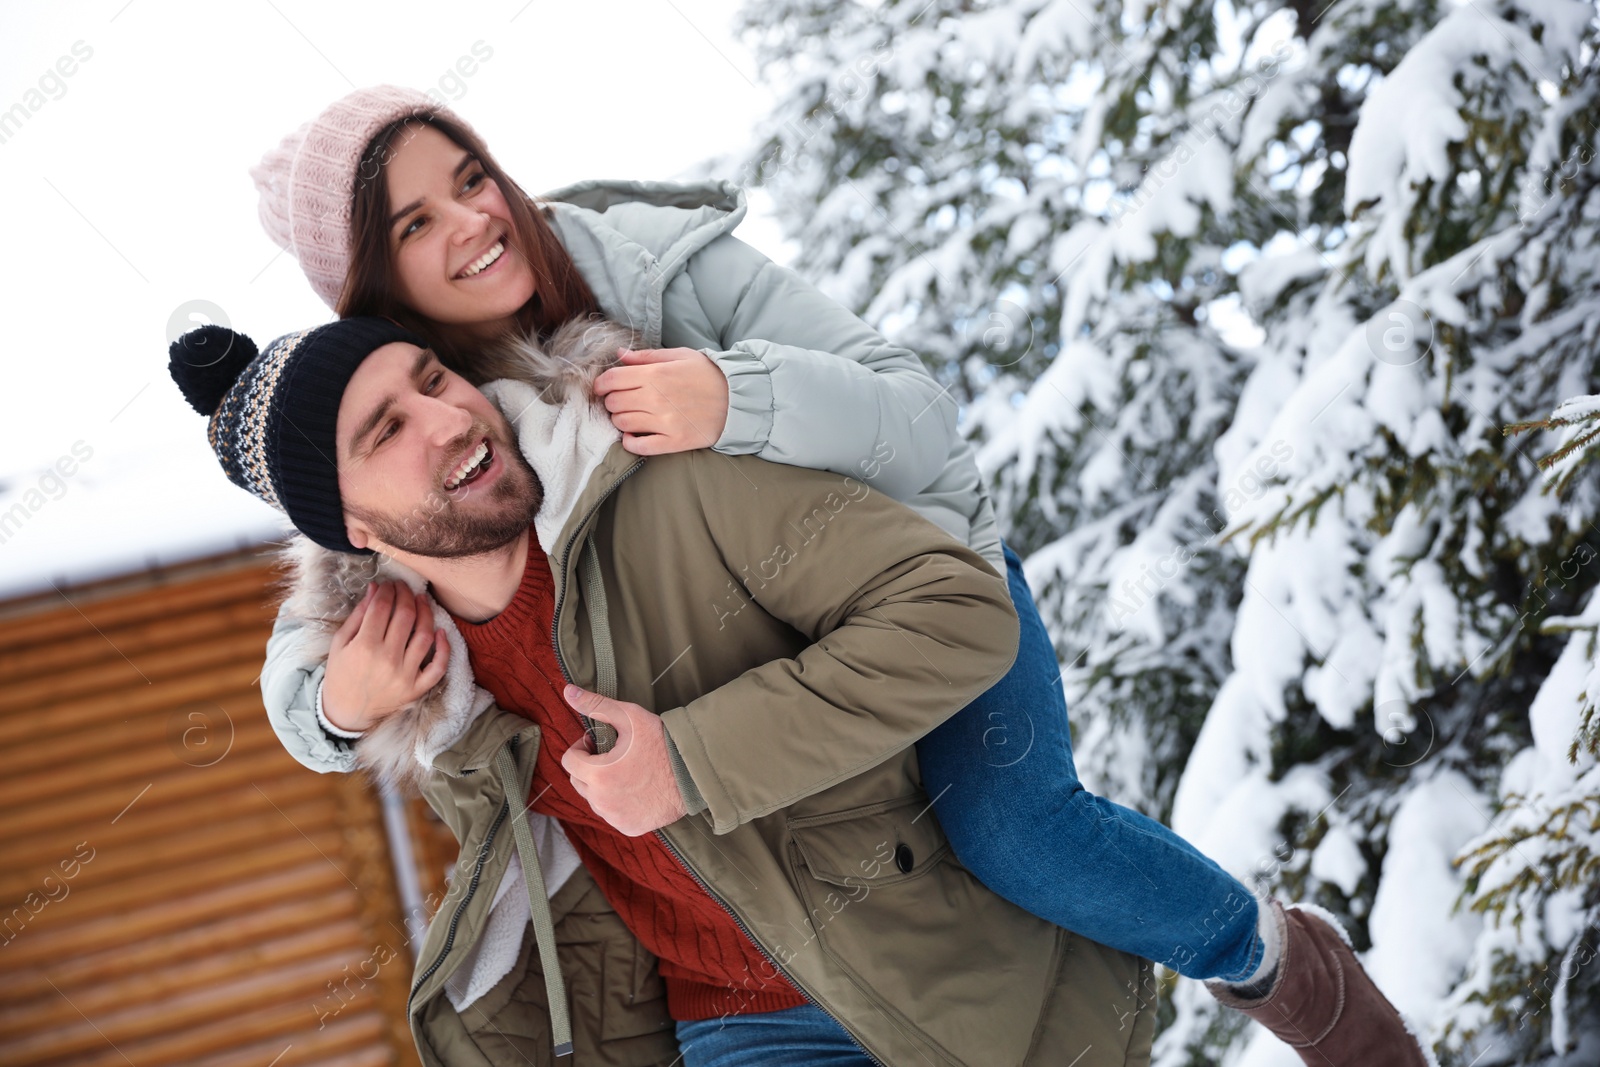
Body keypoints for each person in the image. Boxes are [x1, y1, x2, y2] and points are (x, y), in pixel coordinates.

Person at [246, 86, 1428, 1065]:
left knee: (1013, 832)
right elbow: (322, 626)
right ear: (369, 289)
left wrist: (736, 394)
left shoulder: (650, 271)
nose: (472, 219)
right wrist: (334, 705)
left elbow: (917, 416)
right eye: (412, 225)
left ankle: (1278, 964)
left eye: (469, 176)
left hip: (916, 557)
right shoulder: (431, 432)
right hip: (766, 848)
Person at [167, 314, 1159, 1065]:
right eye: (386, 430)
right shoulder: (430, 685)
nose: (446, 418)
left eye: (432, 378)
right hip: (733, 1020)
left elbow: (959, 611)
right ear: (354, 531)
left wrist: (693, 759)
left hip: (939, 962)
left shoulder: (667, 489)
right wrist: (339, 705)